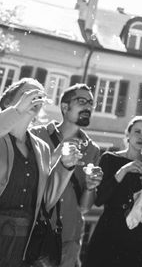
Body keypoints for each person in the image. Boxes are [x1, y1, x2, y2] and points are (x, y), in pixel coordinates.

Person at [0, 78, 80, 267]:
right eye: (28, 94)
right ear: (8, 101)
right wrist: (16, 112)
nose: (35, 99)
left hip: (19, 248)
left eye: (39, 97)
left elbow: (45, 201)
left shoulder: (41, 147)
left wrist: (64, 167)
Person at [31, 83, 103, 267]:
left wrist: (90, 186)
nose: (88, 106)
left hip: (69, 239)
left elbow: (85, 208)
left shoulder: (92, 149)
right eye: (81, 101)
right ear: (65, 107)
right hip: (35, 234)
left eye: (90, 103)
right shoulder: (37, 135)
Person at [84, 115, 142, 267]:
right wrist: (122, 172)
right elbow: (99, 199)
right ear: (128, 134)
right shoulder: (109, 159)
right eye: (137, 131)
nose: (141, 136)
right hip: (110, 230)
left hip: (139, 233)